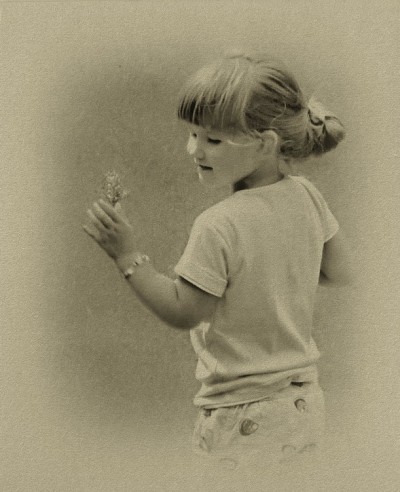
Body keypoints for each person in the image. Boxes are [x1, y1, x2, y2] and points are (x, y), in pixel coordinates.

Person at [83, 51, 352, 469]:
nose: (194, 149)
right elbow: (339, 271)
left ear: (265, 143)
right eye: (193, 134)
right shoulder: (307, 195)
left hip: (240, 415)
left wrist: (127, 255)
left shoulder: (218, 224)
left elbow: (184, 312)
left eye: (213, 140)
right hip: (303, 405)